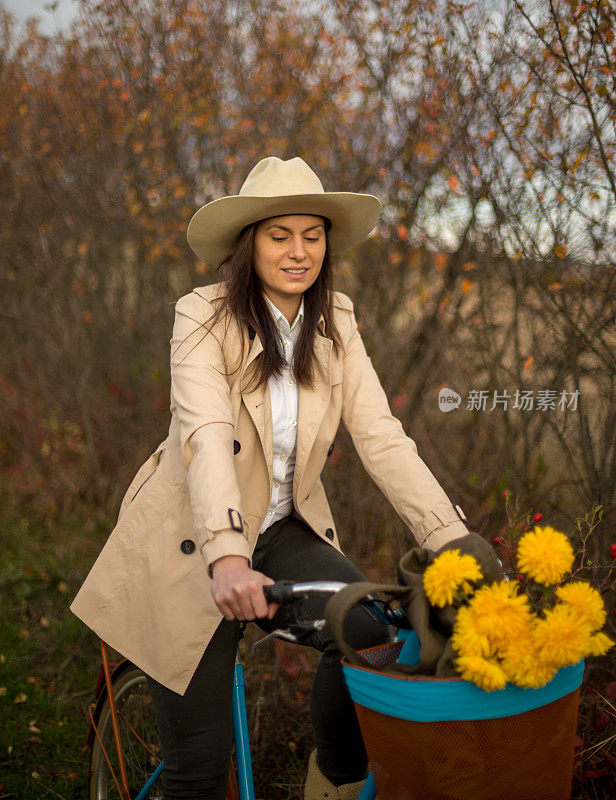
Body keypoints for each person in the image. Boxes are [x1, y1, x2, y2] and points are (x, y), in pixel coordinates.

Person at [70, 156, 500, 800]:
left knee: (370, 632)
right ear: (251, 243)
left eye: (313, 235)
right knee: (198, 771)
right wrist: (228, 558)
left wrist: (450, 540)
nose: (299, 252)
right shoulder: (202, 317)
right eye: (280, 235)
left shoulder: (336, 324)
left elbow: (381, 438)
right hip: (195, 542)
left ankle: (333, 781)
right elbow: (205, 437)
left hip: (278, 531)